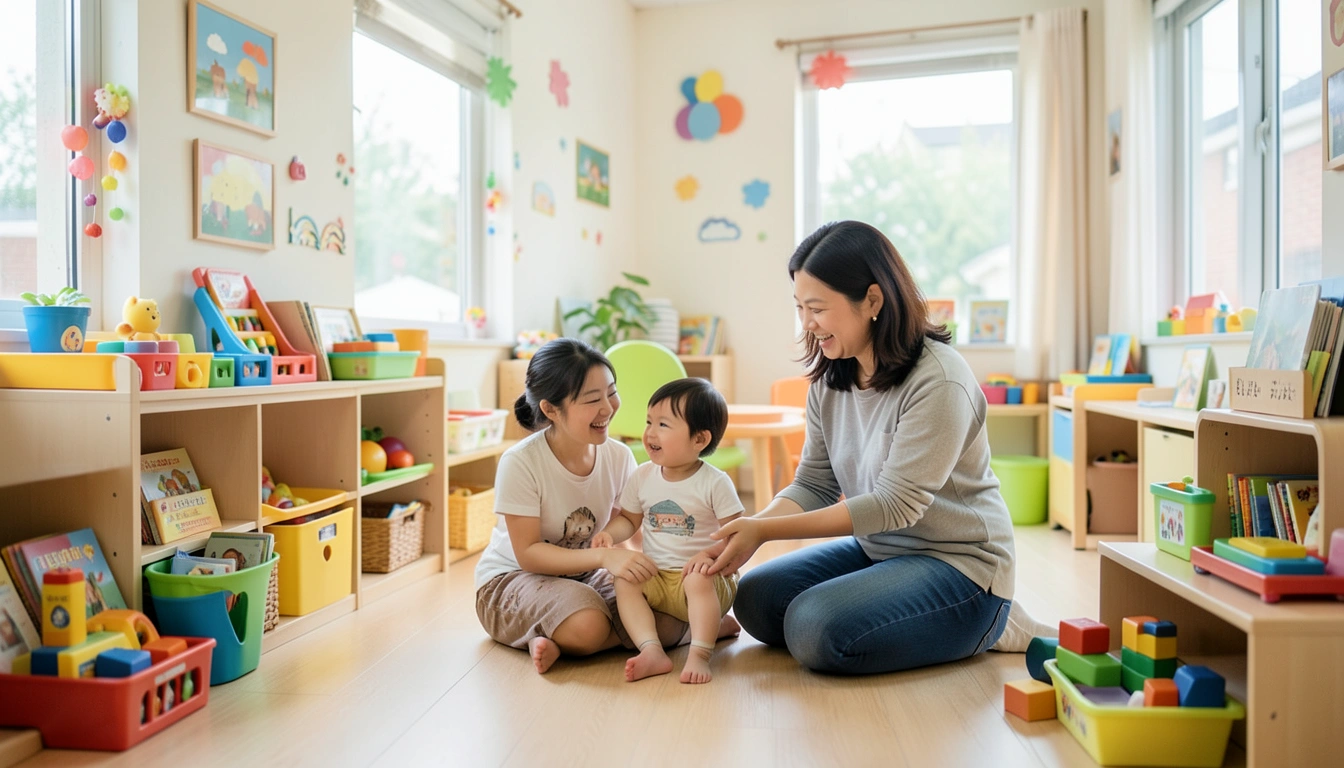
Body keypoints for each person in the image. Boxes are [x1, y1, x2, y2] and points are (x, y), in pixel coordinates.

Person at [709, 220, 1054, 675]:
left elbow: (896, 506)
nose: (807, 325)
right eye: (799, 308)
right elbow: (813, 483)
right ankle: (912, 614)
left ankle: (991, 622)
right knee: (756, 599)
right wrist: (750, 527)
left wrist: (767, 532)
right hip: (882, 551)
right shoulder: (832, 378)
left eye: (817, 308)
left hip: (960, 567)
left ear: (872, 300)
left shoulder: (938, 380)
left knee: (815, 628)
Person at [474, 339, 734, 674]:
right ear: (551, 409)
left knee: (665, 617)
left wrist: (661, 571)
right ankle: (568, 636)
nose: (609, 408)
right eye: (593, 400)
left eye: (611, 392)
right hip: (514, 578)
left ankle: (562, 642)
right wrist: (603, 557)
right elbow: (528, 553)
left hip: (587, 575)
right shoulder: (521, 462)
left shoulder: (618, 455)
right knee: (589, 624)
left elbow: (628, 523)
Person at [591, 378, 742, 684]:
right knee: (625, 578)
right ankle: (651, 650)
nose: (650, 433)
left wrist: (712, 557)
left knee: (698, 578)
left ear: (699, 440)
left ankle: (700, 655)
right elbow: (630, 520)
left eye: (663, 424)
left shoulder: (715, 482)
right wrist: (610, 534)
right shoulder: (643, 475)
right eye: (649, 421)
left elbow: (737, 535)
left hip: (704, 579)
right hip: (658, 577)